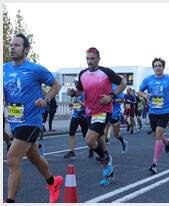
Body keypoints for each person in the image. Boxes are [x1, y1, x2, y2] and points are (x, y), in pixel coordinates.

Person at [3, 33, 62, 203]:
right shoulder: (4, 69)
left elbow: (56, 85)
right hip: (15, 122)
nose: (12, 47)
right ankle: (53, 182)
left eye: (17, 45)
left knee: (12, 158)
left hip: (31, 121)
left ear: (26, 49)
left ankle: (10, 201)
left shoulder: (35, 69)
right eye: (11, 45)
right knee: (34, 157)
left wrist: (46, 99)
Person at [67, 47, 126, 185]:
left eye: (92, 59)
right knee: (99, 140)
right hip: (89, 112)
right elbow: (80, 91)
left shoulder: (106, 72)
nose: (90, 61)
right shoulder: (82, 74)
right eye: (87, 59)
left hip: (103, 111)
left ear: (98, 59)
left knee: (89, 140)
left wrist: (111, 96)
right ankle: (108, 171)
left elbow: (122, 84)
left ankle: (106, 158)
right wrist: (73, 93)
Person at [139, 57, 169, 174]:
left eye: (160, 65)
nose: (158, 68)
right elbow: (139, 91)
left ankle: (154, 163)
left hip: (165, 111)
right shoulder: (148, 80)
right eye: (155, 66)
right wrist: (144, 95)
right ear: (153, 68)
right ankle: (167, 142)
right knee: (156, 136)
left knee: (159, 133)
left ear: (163, 67)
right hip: (153, 112)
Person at [64, 90, 93, 159]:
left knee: (86, 135)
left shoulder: (86, 94)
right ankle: (72, 152)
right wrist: (72, 106)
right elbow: (76, 106)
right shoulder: (75, 96)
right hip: (75, 116)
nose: (76, 90)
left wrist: (79, 101)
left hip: (83, 117)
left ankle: (91, 148)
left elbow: (88, 106)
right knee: (71, 133)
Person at [104, 83, 128, 153]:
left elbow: (123, 100)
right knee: (104, 132)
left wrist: (112, 100)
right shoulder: (102, 85)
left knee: (116, 135)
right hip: (105, 113)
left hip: (114, 114)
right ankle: (104, 153)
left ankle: (123, 142)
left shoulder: (116, 87)